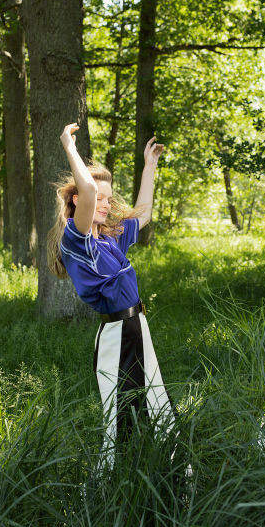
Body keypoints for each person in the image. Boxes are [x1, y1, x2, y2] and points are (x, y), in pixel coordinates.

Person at [47, 123, 176, 471]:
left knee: (159, 406)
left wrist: (149, 166)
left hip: (137, 326)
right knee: (120, 422)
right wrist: (69, 148)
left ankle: (174, 479)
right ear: (79, 199)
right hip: (117, 334)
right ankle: (107, 497)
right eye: (98, 199)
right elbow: (87, 191)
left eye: (108, 198)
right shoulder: (78, 240)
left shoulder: (109, 236)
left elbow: (144, 215)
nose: (104, 204)